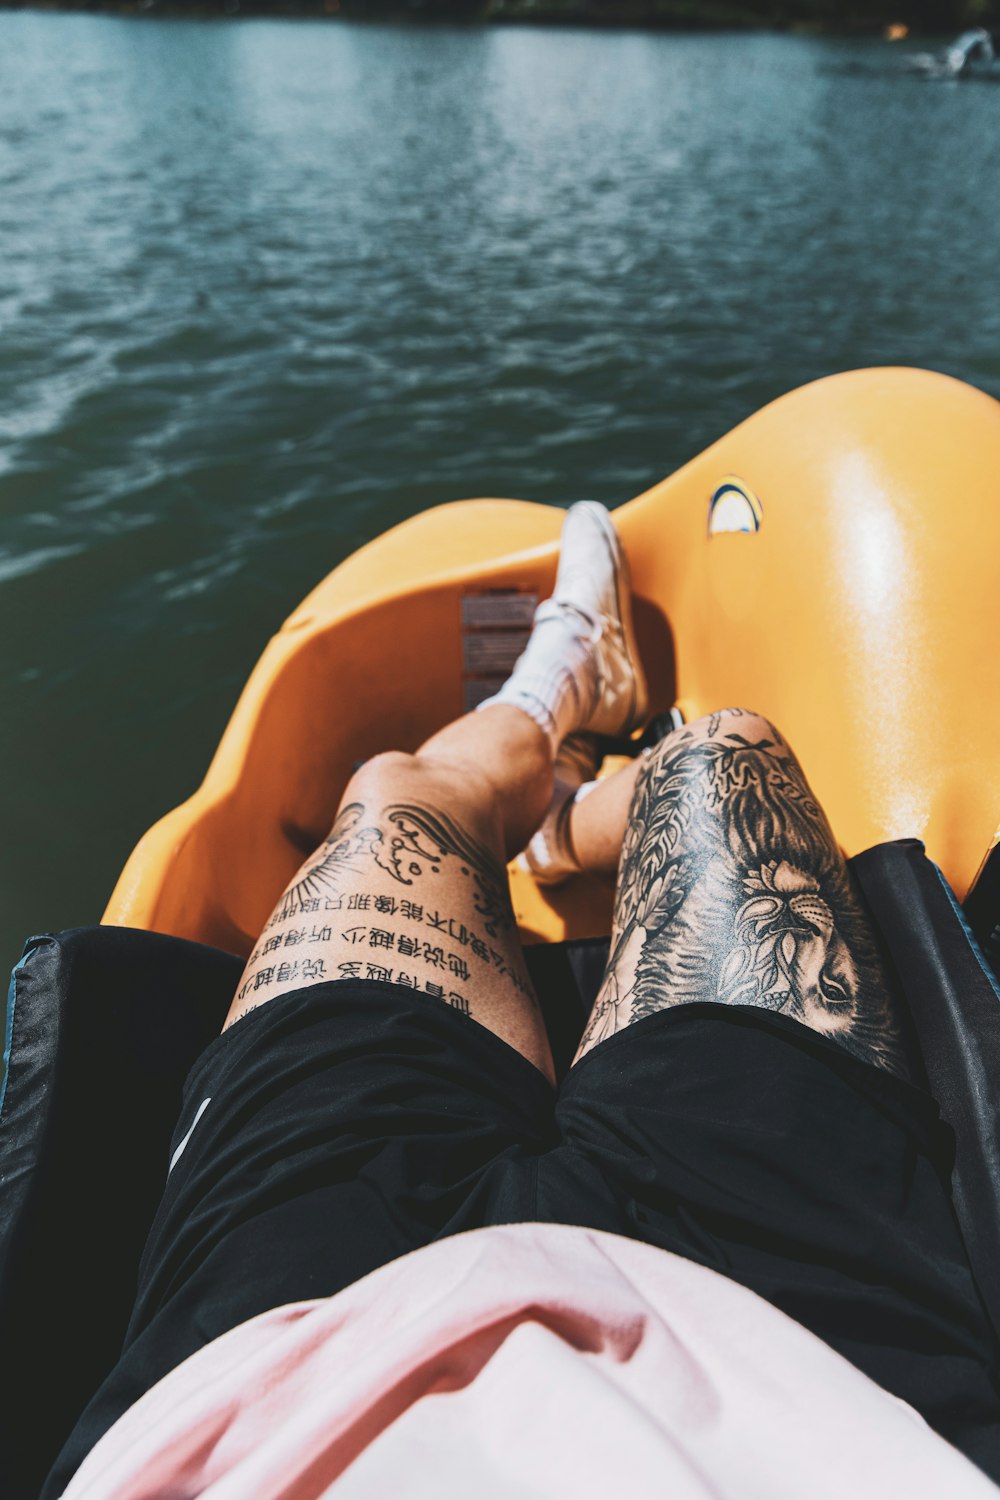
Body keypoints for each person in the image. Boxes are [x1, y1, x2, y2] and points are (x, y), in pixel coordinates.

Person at [45, 504, 1000, 1498]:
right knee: (719, 757)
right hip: (808, 1366)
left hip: (275, 1370)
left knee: (396, 793)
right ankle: (557, 814)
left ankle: (546, 716)